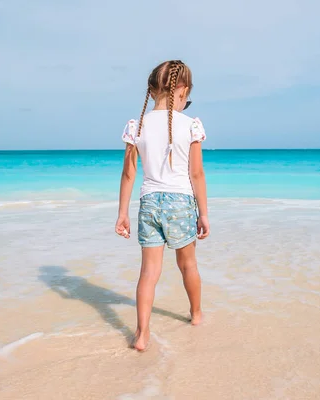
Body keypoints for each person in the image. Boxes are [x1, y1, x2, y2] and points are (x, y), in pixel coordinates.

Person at [115, 60, 210, 351]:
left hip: (148, 202)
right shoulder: (191, 125)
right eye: (186, 97)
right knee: (188, 264)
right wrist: (204, 213)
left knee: (148, 273)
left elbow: (129, 172)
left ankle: (142, 335)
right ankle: (195, 315)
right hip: (180, 201)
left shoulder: (137, 125)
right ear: (181, 90)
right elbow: (196, 173)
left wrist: (122, 213)